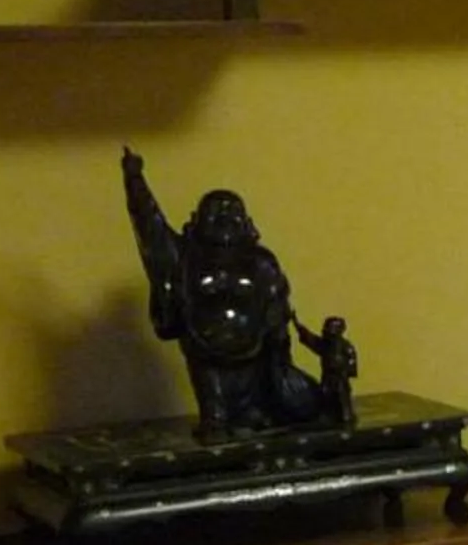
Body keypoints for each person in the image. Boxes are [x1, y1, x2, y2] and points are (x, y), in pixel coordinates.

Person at [121, 148, 335, 436]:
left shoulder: (260, 260)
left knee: (304, 403)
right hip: (205, 355)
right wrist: (135, 180)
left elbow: (277, 301)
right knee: (215, 418)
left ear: (246, 222)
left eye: (232, 212)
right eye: (215, 213)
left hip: (259, 356)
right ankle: (217, 418)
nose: (224, 218)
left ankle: (259, 412)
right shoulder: (185, 257)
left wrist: (277, 336)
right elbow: (150, 225)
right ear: (196, 220)